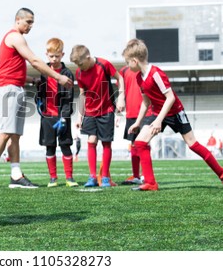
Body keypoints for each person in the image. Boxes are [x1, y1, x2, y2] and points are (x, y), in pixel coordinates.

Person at [0, 8, 73, 189]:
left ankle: (16, 175)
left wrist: (32, 80)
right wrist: (58, 77)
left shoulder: (16, 39)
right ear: (18, 19)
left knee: (15, 135)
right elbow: (35, 61)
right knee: (7, 131)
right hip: (7, 89)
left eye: (32, 22)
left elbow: (11, 68)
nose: (31, 26)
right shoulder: (15, 37)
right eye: (28, 22)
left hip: (16, 87)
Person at [123, 38, 223, 191]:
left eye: (127, 62)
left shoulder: (156, 74)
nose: (126, 66)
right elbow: (146, 102)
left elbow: (170, 97)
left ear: (134, 61)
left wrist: (158, 121)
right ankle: (151, 183)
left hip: (175, 111)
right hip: (158, 112)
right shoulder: (139, 78)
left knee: (193, 145)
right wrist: (138, 122)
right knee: (140, 142)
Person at [70, 45, 125, 188]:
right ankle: (92, 177)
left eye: (80, 64)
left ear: (88, 57)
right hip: (89, 112)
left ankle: (105, 177)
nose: (79, 67)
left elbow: (121, 79)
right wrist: (79, 116)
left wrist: (121, 98)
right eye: (77, 65)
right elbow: (82, 94)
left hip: (106, 110)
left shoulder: (104, 64)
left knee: (106, 142)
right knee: (91, 140)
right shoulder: (79, 73)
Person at [36, 38, 77, 187]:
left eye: (57, 56)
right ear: (46, 55)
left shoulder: (67, 74)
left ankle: (69, 178)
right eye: (51, 56)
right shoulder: (44, 72)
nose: (54, 59)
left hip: (62, 117)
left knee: (65, 145)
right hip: (47, 116)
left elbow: (68, 98)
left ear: (62, 55)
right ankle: (53, 178)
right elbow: (41, 92)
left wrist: (65, 117)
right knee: (50, 146)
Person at [118, 65, 153, 185]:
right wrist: (118, 114)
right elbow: (121, 91)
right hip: (131, 112)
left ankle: (145, 175)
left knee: (144, 142)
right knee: (133, 143)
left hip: (146, 112)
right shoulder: (123, 71)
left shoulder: (146, 69)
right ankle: (136, 176)